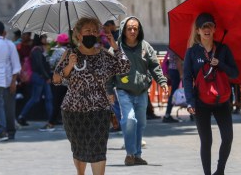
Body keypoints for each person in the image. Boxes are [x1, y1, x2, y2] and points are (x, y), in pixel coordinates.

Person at [52, 17, 130, 175]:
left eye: (94, 31)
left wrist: (115, 46)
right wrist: (70, 65)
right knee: (79, 149)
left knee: (98, 149)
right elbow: (57, 80)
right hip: (73, 110)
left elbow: (124, 67)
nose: (91, 34)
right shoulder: (70, 54)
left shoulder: (103, 56)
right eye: (87, 31)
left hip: (99, 110)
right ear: (78, 35)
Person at [107, 16, 168, 166]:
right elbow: (109, 71)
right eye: (129, 28)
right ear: (123, 30)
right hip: (123, 91)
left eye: (135, 28)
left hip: (141, 92)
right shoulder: (116, 48)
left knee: (140, 123)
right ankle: (130, 154)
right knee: (129, 119)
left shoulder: (146, 47)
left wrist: (162, 81)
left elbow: (154, 66)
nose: (133, 31)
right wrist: (109, 91)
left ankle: (137, 155)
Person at [183, 13, 239, 175]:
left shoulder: (223, 49)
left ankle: (220, 171)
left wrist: (220, 64)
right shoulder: (192, 52)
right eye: (203, 27)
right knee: (206, 141)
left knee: (228, 138)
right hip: (201, 102)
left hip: (222, 101)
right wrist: (190, 102)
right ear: (198, 31)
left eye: (210, 26)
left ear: (215, 29)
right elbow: (187, 78)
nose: (207, 30)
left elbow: (235, 73)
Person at [17, 34, 54, 131]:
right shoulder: (37, 50)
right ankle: (50, 120)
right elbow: (39, 65)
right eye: (44, 37)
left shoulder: (41, 49)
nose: (46, 39)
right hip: (40, 77)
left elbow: (45, 63)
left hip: (42, 77)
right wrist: (46, 76)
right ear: (40, 39)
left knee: (43, 98)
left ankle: (51, 120)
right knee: (39, 98)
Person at [2, 31, 21, 140]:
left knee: (9, 109)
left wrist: (13, 82)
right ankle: (2, 130)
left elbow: (16, 65)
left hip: (8, 82)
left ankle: (10, 131)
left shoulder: (10, 45)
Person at [49, 33, 69, 126]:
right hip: (68, 81)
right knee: (66, 102)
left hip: (58, 80)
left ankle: (52, 122)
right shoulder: (71, 51)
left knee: (56, 102)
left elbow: (51, 63)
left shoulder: (58, 51)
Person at [163, 49, 183, 123]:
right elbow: (178, 61)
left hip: (171, 70)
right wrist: (181, 74)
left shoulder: (171, 46)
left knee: (173, 93)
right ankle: (167, 115)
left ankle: (167, 114)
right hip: (176, 71)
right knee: (181, 92)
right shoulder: (178, 47)